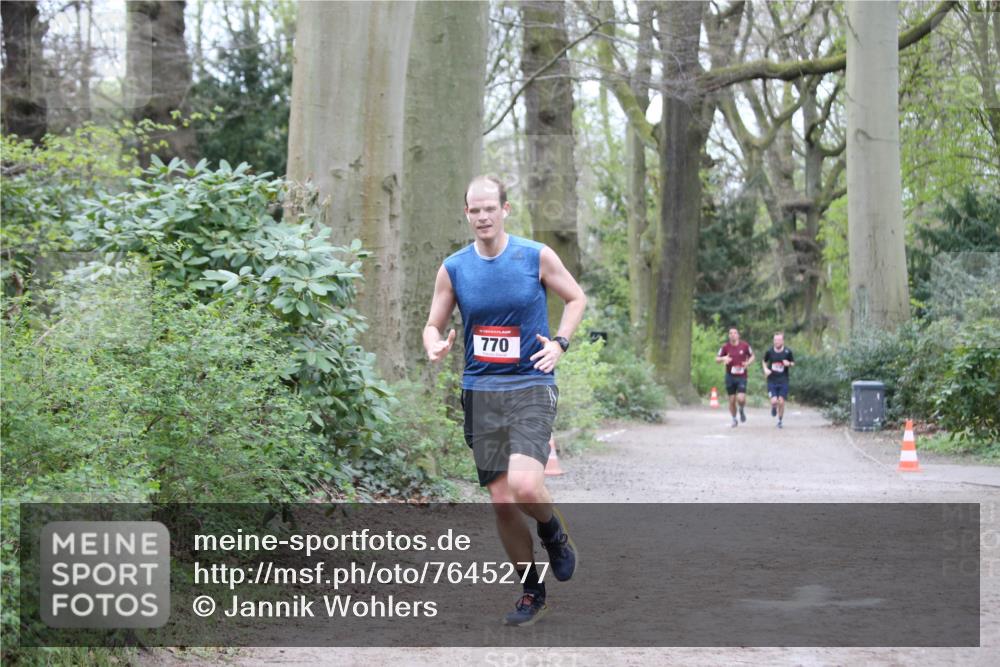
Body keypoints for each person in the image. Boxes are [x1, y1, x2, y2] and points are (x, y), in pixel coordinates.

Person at [423, 175, 587, 627]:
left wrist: (560, 344)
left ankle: (553, 532)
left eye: (489, 208)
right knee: (500, 500)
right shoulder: (454, 267)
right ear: (466, 214)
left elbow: (575, 299)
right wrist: (433, 342)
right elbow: (432, 323)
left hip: (530, 384)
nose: (482, 217)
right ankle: (532, 592)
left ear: (505, 209)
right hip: (481, 390)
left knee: (527, 487)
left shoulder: (534, 256)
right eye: (474, 210)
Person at [715, 327, 755, 427]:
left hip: (742, 376)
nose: (733, 335)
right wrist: (724, 358)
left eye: (735, 333)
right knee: (732, 400)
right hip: (730, 376)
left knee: (740, 399)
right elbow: (716, 359)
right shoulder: (725, 347)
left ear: (738, 335)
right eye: (730, 333)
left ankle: (741, 409)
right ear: (729, 335)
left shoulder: (745, 346)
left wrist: (748, 363)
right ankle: (734, 419)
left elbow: (753, 356)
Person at [762, 331, 795, 429]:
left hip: (783, 380)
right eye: (775, 340)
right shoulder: (769, 351)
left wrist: (788, 364)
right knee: (773, 401)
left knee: (781, 402)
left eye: (779, 340)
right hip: (772, 380)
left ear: (782, 341)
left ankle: (780, 421)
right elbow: (764, 361)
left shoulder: (788, 352)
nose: (776, 342)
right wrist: (765, 369)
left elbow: (793, 363)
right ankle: (773, 406)